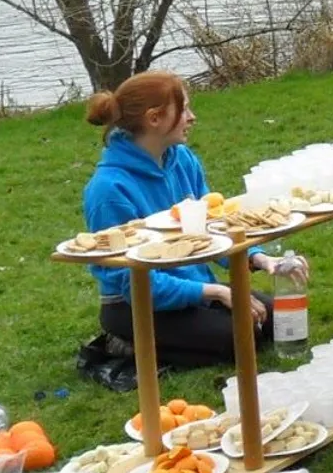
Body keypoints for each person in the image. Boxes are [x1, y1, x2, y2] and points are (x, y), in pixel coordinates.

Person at [80, 71, 303, 370]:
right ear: (154, 119)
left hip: (194, 288)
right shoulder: (108, 190)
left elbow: (214, 227)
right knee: (239, 335)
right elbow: (130, 282)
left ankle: (189, 333)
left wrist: (262, 259)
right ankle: (127, 346)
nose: (192, 117)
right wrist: (219, 292)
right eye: (183, 109)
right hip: (135, 304)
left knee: (279, 316)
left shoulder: (183, 159)